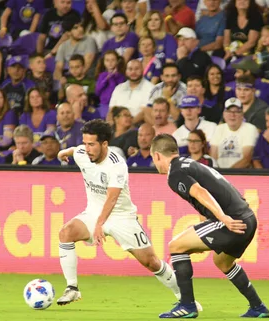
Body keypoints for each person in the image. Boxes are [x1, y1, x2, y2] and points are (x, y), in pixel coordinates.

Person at [54, 119, 183, 306]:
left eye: (91, 144)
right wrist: (63, 152)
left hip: (121, 216)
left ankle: (183, 296)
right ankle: (72, 288)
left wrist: (99, 225)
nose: (86, 148)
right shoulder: (83, 153)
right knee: (66, 232)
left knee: (151, 262)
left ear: (104, 144)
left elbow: (112, 198)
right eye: (85, 143)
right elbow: (75, 150)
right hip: (93, 212)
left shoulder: (117, 164)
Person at [150, 133, 269, 319]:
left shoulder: (175, 172)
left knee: (176, 246)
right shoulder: (189, 163)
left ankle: (187, 305)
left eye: (153, 158)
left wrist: (223, 217)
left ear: (157, 155)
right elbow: (219, 186)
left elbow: (199, 191)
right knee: (222, 262)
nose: (154, 163)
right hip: (246, 217)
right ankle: (258, 307)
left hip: (231, 220)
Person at [209, 98, 259, 168]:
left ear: (242, 114)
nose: (232, 115)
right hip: (220, 173)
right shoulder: (219, 129)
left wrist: (229, 174)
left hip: (240, 174)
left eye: (236, 112)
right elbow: (213, 157)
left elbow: (246, 159)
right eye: (229, 111)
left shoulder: (250, 129)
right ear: (224, 114)